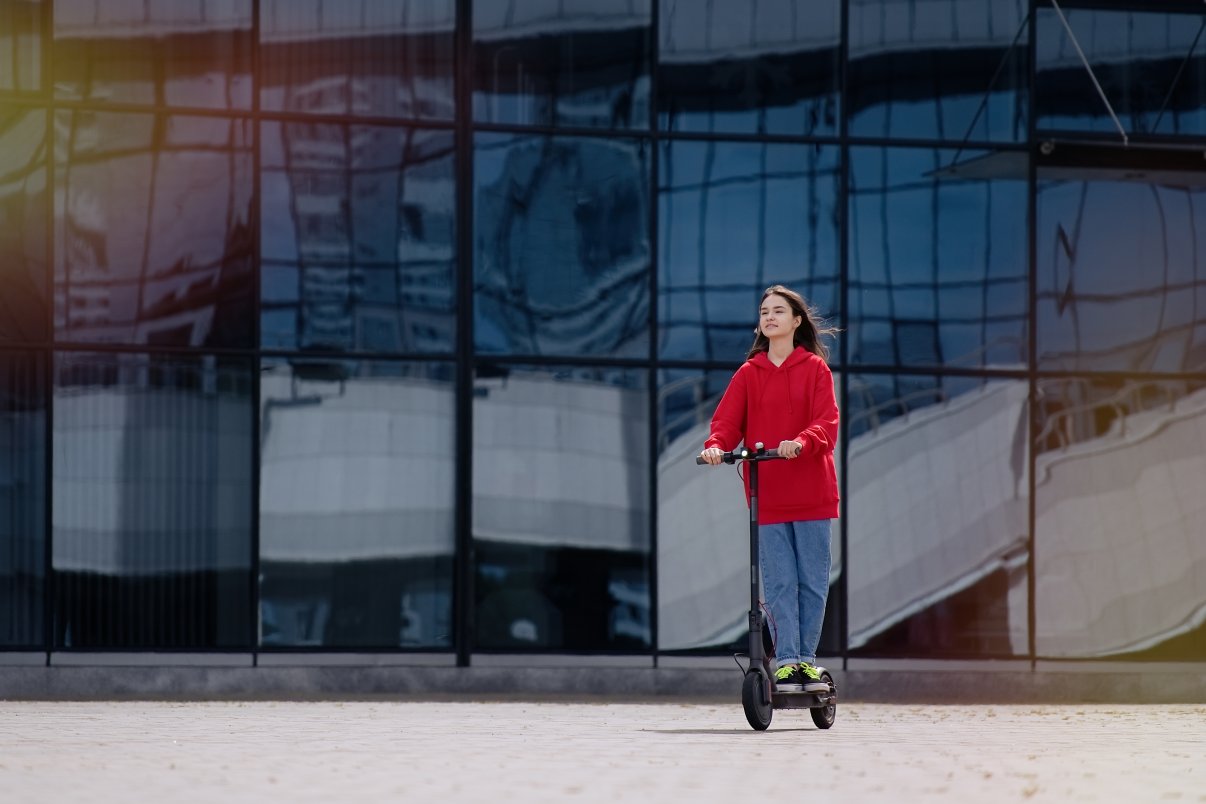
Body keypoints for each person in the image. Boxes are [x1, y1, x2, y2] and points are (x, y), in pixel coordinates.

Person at [700, 285, 839, 692]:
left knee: (812, 581)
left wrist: (803, 441)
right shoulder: (749, 373)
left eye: (779, 310)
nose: (770, 317)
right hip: (770, 496)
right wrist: (715, 448)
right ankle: (788, 662)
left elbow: (827, 424)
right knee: (778, 582)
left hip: (813, 492)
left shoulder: (815, 369)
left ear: (797, 321)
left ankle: (807, 663)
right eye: (764, 312)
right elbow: (726, 423)